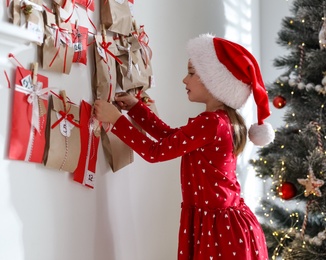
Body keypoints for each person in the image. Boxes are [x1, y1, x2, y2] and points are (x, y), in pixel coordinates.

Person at [94, 33, 274, 260]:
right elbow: (172, 138)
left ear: (213, 81)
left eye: (191, 73)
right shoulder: (220, 121)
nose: (184, 80)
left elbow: (155, 152)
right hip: (223, 224)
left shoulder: (211, 123)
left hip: (220, 230)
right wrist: (138, 110)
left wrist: (117, 121)